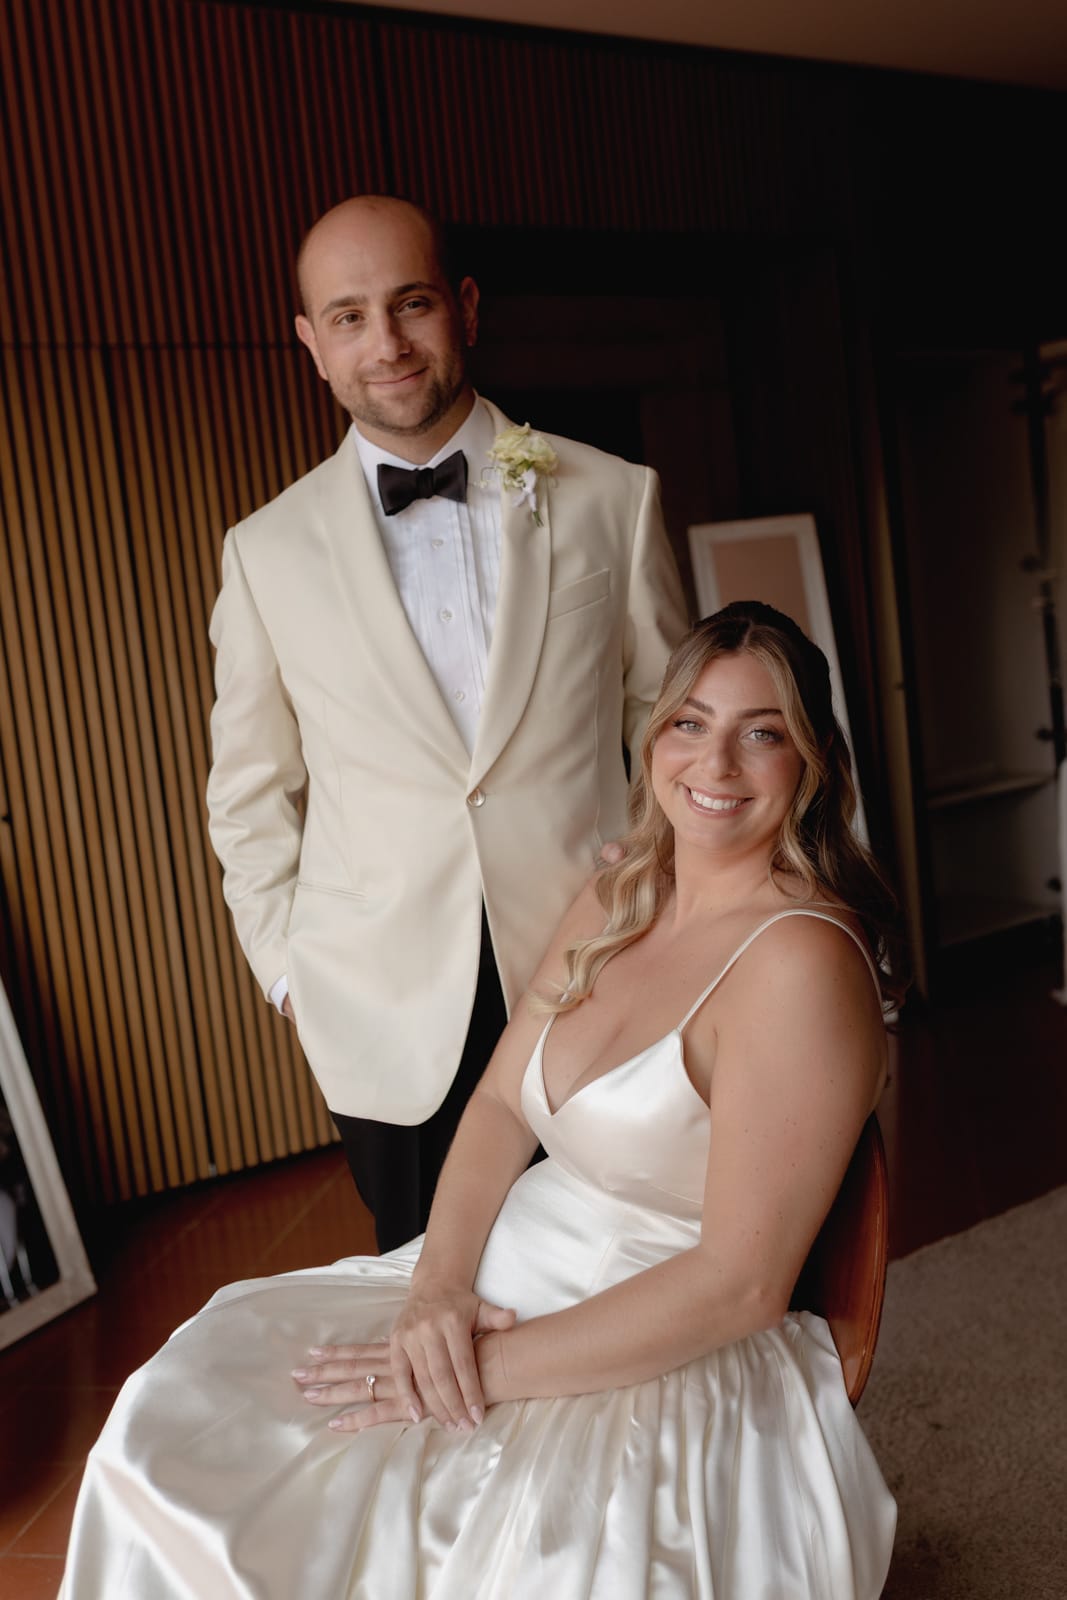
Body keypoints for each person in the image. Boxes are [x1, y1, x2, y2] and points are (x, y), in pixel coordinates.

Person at [62, 602, 902, 1599]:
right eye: (689, 722)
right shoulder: (619, 895)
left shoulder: (798, 962)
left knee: (409, 1550)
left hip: (660, 1348)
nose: (714, 764)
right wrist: (435, 1295)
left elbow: (737, 1284)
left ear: (807, 762)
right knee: (173, 1428)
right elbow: (504, 1101)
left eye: (759, 733)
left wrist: (475, 1372)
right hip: (491, 1282)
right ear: (653, 738)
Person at [206, 194, 688, 1250]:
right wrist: (293, 976)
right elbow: (247, 793)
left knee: (624, 1263)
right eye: (346, 316)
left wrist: (669, 902)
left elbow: (670, 724)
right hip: (380, 1012)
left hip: (595, 969)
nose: (384, 343)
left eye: (410, 302)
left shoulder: (612, 496)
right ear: (311, 345)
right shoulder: (264, 551)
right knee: (435, 1310)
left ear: (463, 307)